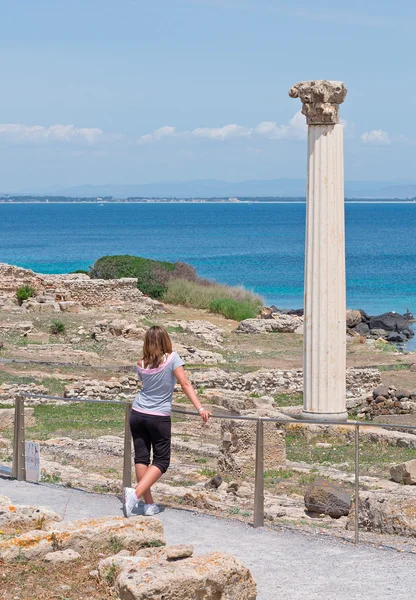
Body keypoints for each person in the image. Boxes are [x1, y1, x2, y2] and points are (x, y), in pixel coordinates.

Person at [122, 325, 211, 517]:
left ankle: (149, 505)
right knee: (162, 461)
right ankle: (135, 494)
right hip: (158, 417)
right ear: (165, 340)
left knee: (141, 458)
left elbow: (147, 385)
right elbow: (185, 384)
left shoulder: (141, 363)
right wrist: (200, 408)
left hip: (137, 413)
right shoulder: (172, 359)